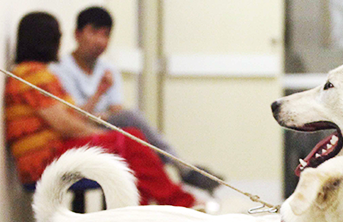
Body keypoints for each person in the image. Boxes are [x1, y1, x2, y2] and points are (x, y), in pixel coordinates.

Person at [5, 11, 196, 208]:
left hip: (54, 154)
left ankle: (145, 215)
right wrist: (104, 135)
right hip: (45, 161)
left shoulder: (37, 74)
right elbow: (64, 125)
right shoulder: (32, 75)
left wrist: (99, 93)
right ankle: (180, 203)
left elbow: (73, 115)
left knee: (130, 144)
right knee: (129, 140)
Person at [51, 6, 222, 194]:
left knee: (134, 131)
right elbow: (75, 117)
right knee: (131, 120)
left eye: (106, 35)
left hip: (106, 128)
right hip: (80, 133)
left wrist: (104, 113)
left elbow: (116, 109)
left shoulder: (108, 68)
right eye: (94, 33)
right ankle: (180, 170)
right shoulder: (61, 69)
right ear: (77, 34)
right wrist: (99, 93)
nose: (100, 41)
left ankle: (173, 180)